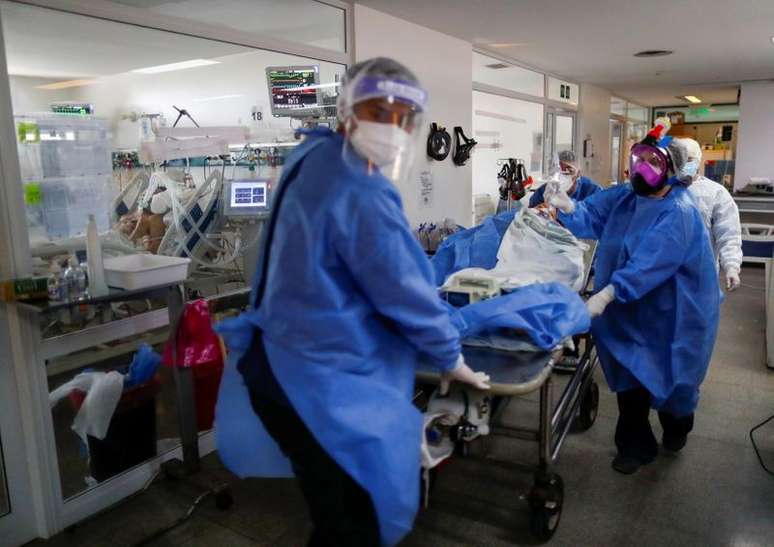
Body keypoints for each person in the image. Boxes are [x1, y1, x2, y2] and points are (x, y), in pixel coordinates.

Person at [217, 58, 490, 547]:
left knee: (333, 509)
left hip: (275, 363)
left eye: (402, 117)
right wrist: (451, 357)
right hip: (313, 383)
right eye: (377, 111)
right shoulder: (362, 189)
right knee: (353, 520)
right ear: (347, 109)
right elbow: (406, 292)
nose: (391, 127)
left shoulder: (312, 155)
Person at [545, 118, 721, 475]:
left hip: (674, 314)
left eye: (653, 162)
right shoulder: (626, 196)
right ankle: (634, 446)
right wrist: (569, 206)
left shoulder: (680, 212)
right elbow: (594, 214)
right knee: (630, 380)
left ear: (672, 171)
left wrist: (606, 295)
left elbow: (648, 265)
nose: (642, 167)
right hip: (625, 309)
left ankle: (677, 426)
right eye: (639, 158)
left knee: (673, 384)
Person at [669, 137, 743, 291]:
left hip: (701, 273)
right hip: (663, 272)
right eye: (679, 159)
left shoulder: (715, 193)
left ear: (698, 160)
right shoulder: (662, 190)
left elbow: (729, 234)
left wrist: (731, 266)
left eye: (689, 159)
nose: (683, 163)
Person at [529, 149, 602, 208]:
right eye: (558, 170)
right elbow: (531, 217)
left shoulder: (593, 191)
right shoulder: (543, 192)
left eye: (569, 170)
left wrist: (571, 208)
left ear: (578, 174)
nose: (562, 175)